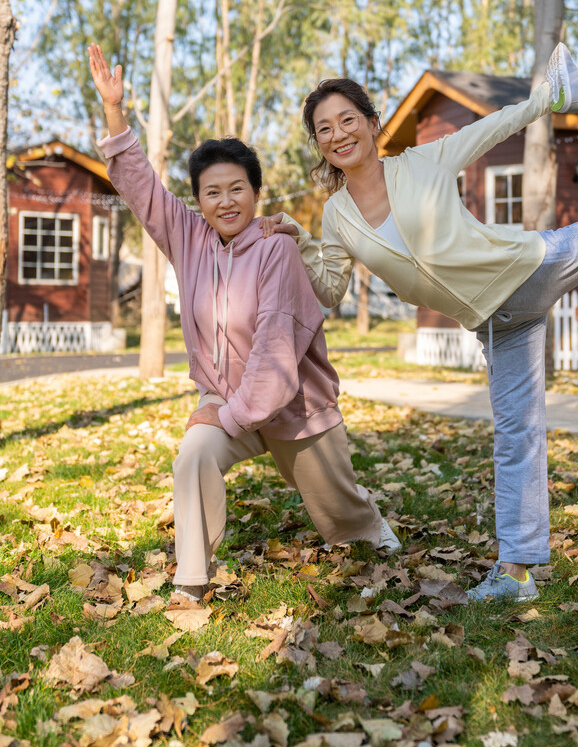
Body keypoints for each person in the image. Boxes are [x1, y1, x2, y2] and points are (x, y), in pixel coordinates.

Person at [261, 43, 578, 602]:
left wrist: (557, 97)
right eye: (324, 129)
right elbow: (330, 289)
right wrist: (299, 240)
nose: (338, 135)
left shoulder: (423, 161)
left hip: (535, 265)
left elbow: (494, 127)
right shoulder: (337, 217)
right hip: (499, 324)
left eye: (347, 120)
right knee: (515, 437)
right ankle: (517, 575)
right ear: (319, 144)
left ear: (373, 123)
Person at [87, 44, 400, 608]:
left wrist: (224, 411)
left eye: (237, 189)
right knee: (194, 455)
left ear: (255, 193)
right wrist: (115, 113)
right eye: (213, 191)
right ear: (200, 200)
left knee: (345, 520)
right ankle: (191, 580)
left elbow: (275, 357)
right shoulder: (188, 238)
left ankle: (375, 528)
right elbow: (141, 188)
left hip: (294, 405)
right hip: (232, 405)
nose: (225, 201)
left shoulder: (276, 250)